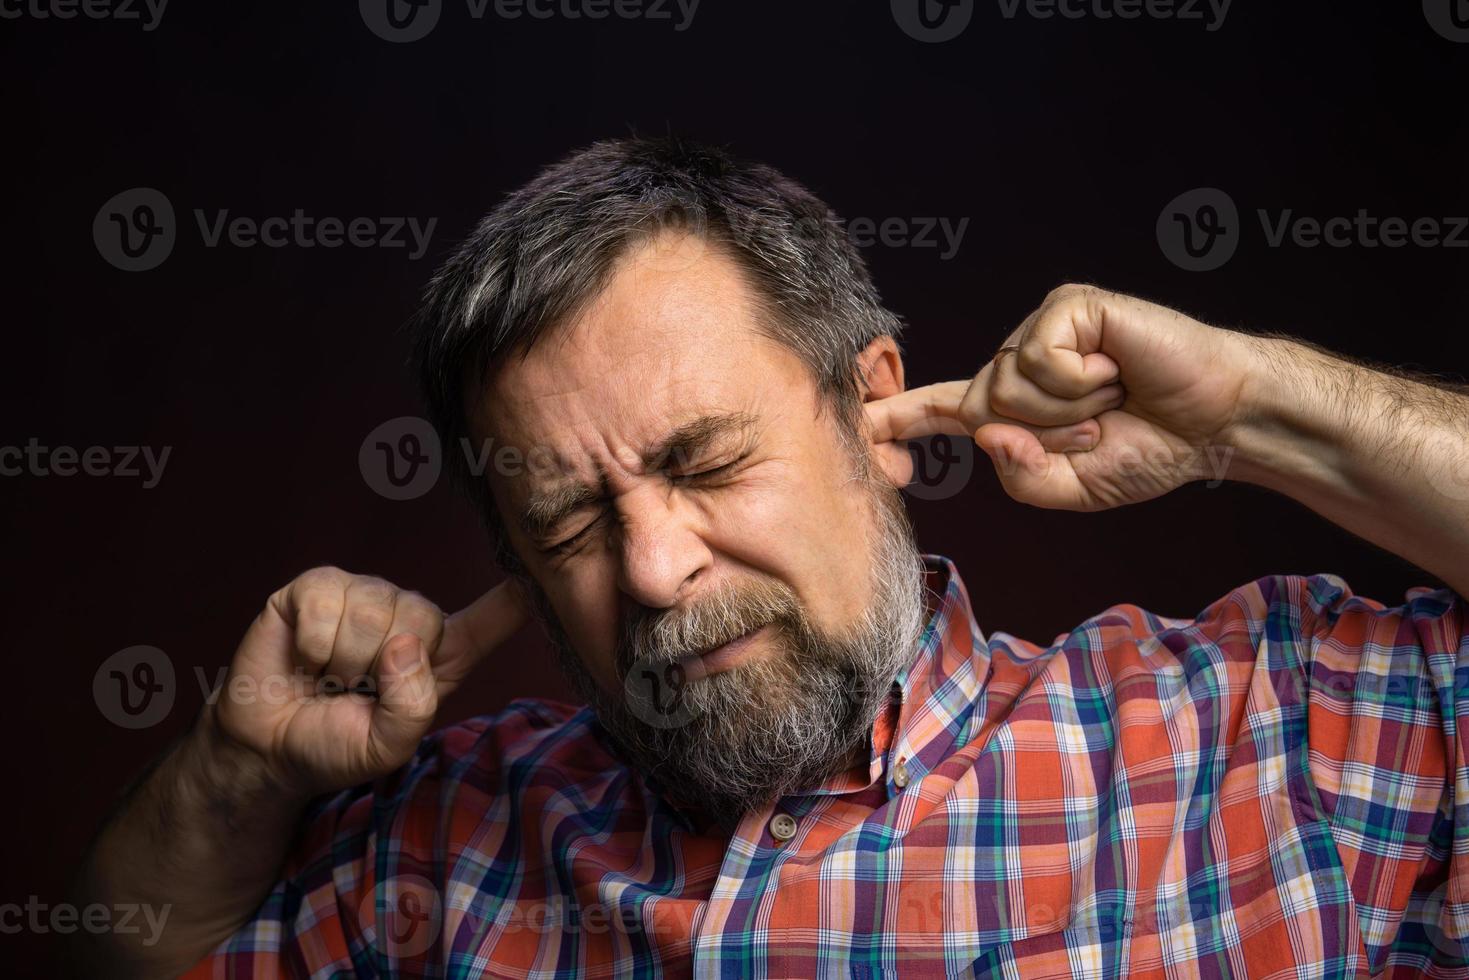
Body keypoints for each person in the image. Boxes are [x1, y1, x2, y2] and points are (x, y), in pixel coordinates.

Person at [73, 138, 1469, 978]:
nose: (656, 566)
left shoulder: (1254, 734)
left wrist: (1258, 409)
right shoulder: (459, 835)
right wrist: (239, 767)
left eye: (702, 462)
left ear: (874, 408)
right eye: (569, 522)